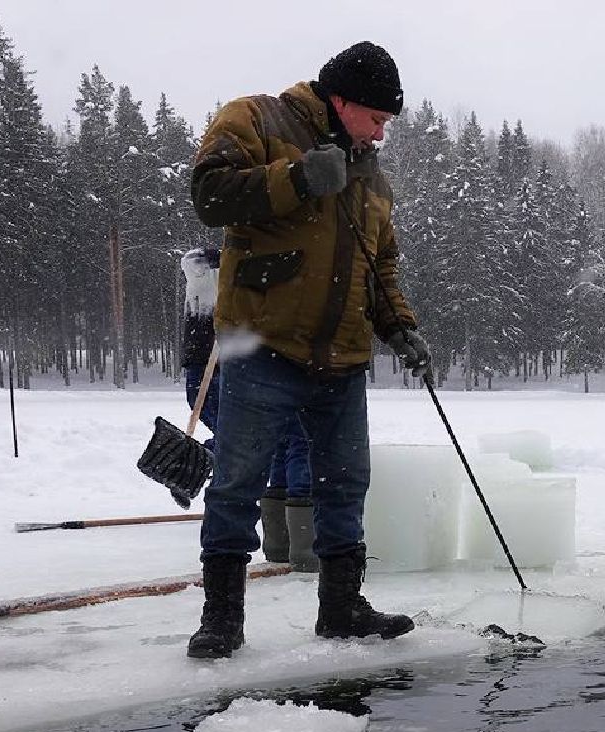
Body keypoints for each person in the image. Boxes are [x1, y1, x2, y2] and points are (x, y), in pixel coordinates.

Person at [184, 40, 432, 658]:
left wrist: (400, 327)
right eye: (376, 119)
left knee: (346, 483)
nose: (381, 134)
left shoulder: (371, 173)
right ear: (342, 100)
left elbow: (382, 265)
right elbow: (209, 194)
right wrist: (296, 178)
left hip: (342, 355)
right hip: (261, 343)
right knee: (237, 480)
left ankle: (342, 607)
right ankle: (222, 618)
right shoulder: (257, 118)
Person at [179, 247, 318, 574]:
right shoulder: (224, 281)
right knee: (296, 438)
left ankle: (282, 543)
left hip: (215, 373)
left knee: (279, 439)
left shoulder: (202, 281)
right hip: (230, 373)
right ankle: (303, 545)